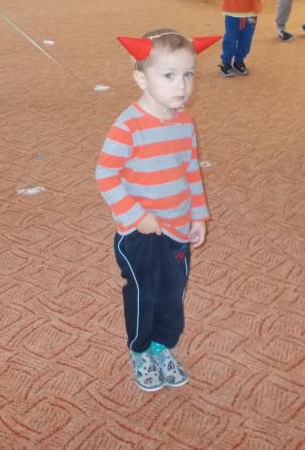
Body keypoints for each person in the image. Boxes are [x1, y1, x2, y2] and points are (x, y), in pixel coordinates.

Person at [96, 31, 219, 392]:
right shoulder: (127, 127)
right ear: (141, 78)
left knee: (172, 292)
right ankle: (140, 350)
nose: (181, 85)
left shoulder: (184, 122)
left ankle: (162, 345)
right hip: (140, 235)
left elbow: (190, 170)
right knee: (144, 293)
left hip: (177, 228)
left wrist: (198, 214)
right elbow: (105, 175)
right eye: (169, 75)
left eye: (188, 74)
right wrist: (137, 217)